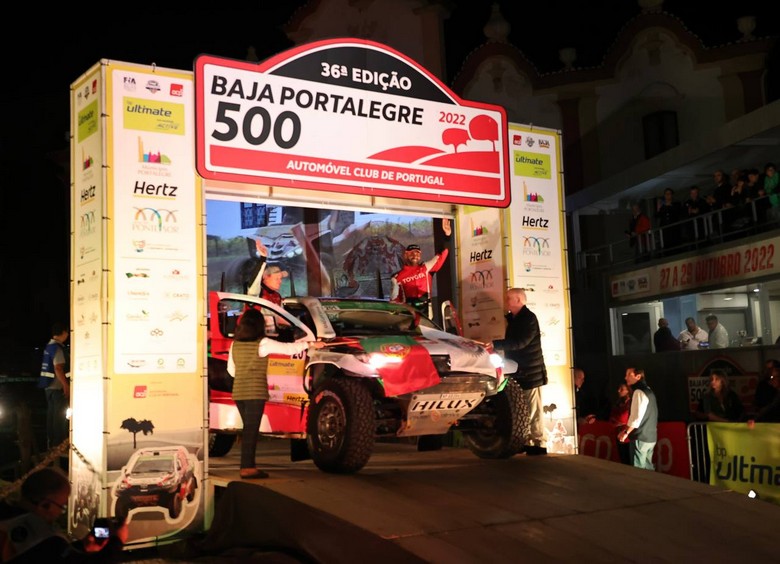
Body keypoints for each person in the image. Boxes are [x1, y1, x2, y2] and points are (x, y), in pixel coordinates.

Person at [227, 308, 325, 479]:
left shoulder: (235, 344)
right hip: (255, 392)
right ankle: (247, 467)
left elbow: (231, 370)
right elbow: (288, 349)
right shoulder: (262, 343)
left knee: (248, 430)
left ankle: (247, 465)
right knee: (251, 431)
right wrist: (311, 344)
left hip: (239, 392)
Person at [0, 467, 127, 562]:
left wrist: (82, 546)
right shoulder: (41, 534)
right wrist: (118, 541)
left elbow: (53, 555)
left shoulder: (7, 516)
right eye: (62, 506)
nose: (61, 512)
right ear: (45, 505)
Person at [491, 288, 548, 455]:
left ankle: (538, 442)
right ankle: (527, 441)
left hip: (530, 371)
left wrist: (496, 344)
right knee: (523, 408)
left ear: (518, 300)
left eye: (508, 298)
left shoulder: (528, 319)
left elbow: (521, 342)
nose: (506, 301)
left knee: (533, 409)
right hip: (520, 370)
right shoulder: (515, 319)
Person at [390, 218, 451, 315]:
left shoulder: (426, 268)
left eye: (418, 253)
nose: (415, 255)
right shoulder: (396, 277)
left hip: (427, 317)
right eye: (411, 253)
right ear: (405, 255)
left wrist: (447, 235)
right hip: (408, 317)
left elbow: (442, 254)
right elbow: (394, 301)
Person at [618, 368, 658, 471]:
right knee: (648, 469)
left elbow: (636, 417)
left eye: (629, 374)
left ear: (638, 376)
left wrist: (626, 432)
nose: (625, 377)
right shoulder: (648, 390)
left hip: (640, 437)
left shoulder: (639, 392)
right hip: (651, 437)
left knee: (638, 471)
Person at [38, 322, 70, 451]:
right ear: (63, 332)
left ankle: (51, 442)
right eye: (67, 332)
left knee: (51, 415)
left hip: (48, 386)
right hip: (57, 387)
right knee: (59, 416)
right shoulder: (57, 348)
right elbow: (58, 368)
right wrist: (66, 385)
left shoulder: (49, 346)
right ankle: (59, 444)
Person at [609, 382, 632, 465]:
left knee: (629, 460)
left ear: (628, 391)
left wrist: (619, 421)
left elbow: (623, 418)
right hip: (618, 434)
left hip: (628, 437)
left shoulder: (630, 403)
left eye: (621, 389)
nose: (618, 391)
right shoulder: (618, 403)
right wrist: (620, 422)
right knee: (623, 460)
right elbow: (611, 418)